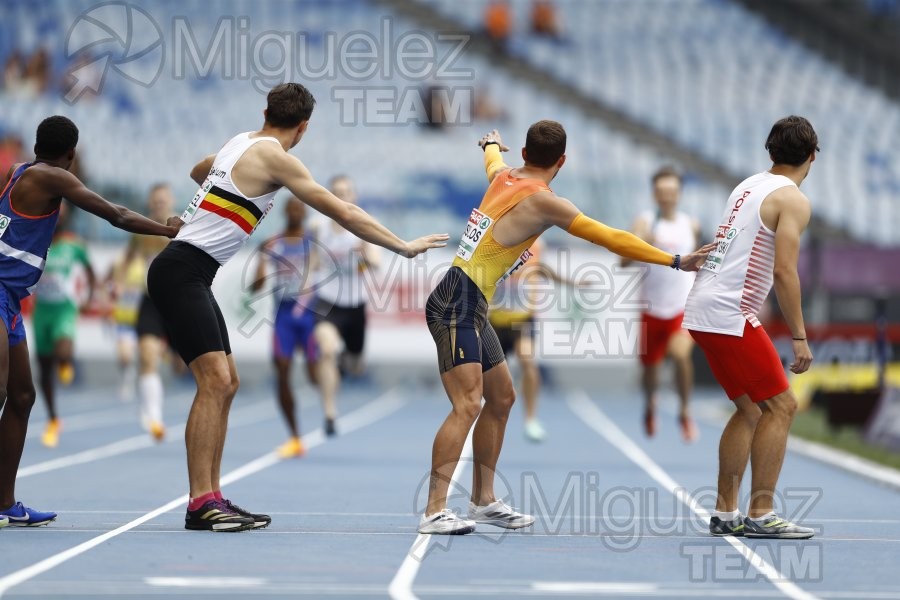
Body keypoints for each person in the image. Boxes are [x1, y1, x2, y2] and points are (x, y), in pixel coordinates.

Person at [146, 83, 447, 533]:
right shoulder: (277, 159)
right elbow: (343, 211)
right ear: (303, 128)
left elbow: (198, 171)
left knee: (227, 383)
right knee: (214, 383)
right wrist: (402, 245)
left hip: (188, 270)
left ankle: (211, 496)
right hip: (182, 271)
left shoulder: (239, 141)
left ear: (265, 111)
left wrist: (206, 207)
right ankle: (200, 503)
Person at [418, 122, 713, 534]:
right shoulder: (546, 202)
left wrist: (488, 144)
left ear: (523, 153)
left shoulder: (504, 176)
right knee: (467, 404)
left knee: (501, 397)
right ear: (562, 161)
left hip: (470, 302)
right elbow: (610, 237)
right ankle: (433, 511)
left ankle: (483, 501)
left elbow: (491, 161)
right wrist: (676, 261)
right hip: (456, 302)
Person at [0, 115, 180, 527]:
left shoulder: (17, 171)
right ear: (72, 154)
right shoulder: (55, 178)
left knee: (23, 396)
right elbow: (115, 214)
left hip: (9, 298)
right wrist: (166, 231)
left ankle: (4, 503)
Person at [684, 115, 817, 539]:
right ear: (813, 156)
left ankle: (726, 511)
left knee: (750, 409)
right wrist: (799, 335)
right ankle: (762, 513)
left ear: (770, 151)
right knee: (783, 406)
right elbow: (785, 272)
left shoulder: (746, 185)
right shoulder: (793, 199)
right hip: (729, 312)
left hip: (703, 306)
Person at [621, 167, 700, 442]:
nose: (667, 197)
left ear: (678, 194)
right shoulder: (643, 223)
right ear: (655, 194)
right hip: (650, 309)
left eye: (672, 192)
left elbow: (700, 262)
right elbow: (622, 262)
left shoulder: (691, 224)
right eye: (662, 192)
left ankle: (685, 410)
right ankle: (650, 404)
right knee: (650, 371)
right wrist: (641, 243)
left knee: (681, 355)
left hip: (681, 308)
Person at [250, 196, 332, 458]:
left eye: (301, 208)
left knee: (312, 374)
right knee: (282, 370)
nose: (297, 211)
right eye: (292, 207)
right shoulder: (274, 243)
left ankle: (331, 392)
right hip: (284, 315)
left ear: (305, 212)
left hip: (309, 316)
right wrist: (262, 259)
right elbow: (256, 286)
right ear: (286, 212)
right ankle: (295, 436)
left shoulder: (314, 242)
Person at [313, 174, 378, 436]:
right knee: (325, 350)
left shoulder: (364, 227)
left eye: (345, 192)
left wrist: (364, 251)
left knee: (354, 365)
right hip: (327, 303)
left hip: (355, 306)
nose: (340, 197)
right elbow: (314, 261)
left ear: (354, 197)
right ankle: (330, 414)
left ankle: (344, 360)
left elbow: (376, 263)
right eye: (335, 192)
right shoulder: (318, 226)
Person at [488, 238, 572, 442]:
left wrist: (572, 283)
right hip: (496, 319)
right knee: (492, 375)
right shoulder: (498, 239)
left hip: (523, 318)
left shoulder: (537, 244)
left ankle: (531, 419)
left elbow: (542, 270)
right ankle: (490, 414)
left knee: (527, 360)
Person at [33, 201, 95, 448]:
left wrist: (89, 295)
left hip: (64, 309)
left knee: (64, 350)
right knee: (44, 370)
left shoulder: (74, 246)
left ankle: (66, 361)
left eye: (62, 214)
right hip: (42, 313)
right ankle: (53, 419)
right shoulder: (35, 241)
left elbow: (90, 271)